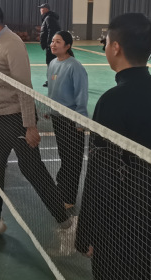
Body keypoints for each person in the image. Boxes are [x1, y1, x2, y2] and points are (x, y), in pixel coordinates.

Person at [75, 13, 151, 280]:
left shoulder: (111, 102)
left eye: (106, 43)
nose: (105, 48)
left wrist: (86, 231)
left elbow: (101, 173)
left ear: (116, 47)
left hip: (121, 227)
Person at [0, 2, 75, 244]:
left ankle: (67, 224)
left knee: (33, 171)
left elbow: (24, 87)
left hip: (16, 120)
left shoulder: (12, 44)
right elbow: (0, 81)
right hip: (1, 116)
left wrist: (30, 126)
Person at [47, 31, 88, 210]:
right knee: (65, 156)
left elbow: (81, 95)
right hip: (57, 119)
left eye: (58, 42)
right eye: (52, 41)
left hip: (71, 121)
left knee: (73, 160)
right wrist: (50, 109)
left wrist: (80, 121)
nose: (53, 44)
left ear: (68, 46)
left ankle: (69, 198)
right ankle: (62, 187)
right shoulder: (52, 63)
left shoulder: (75, 67)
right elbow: (52, 90)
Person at [38, 3, 61, 87]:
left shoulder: (49, 18)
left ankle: (52, 81)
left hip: (51, 46)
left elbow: (52, 32)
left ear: (46, 9)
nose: (41, 10)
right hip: (51, 46)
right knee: (51, 64)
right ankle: (52, 81)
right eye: (40, 8)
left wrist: (49, 44)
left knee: (51, 64)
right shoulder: (49, 17)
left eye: (42, 8)